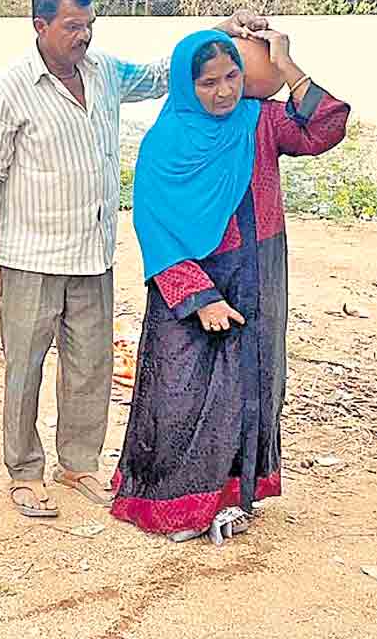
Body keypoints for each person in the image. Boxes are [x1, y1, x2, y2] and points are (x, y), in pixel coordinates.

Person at [0, 0, 268, 517]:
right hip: (29, 256)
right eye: (73, 27)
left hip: (91, 253)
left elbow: (162, 74)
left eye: (90, 25)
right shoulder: (10, 87)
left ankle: (78, 462)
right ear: (41, 26)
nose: (84, 37)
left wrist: (220, 28)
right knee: (24, 368)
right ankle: (24, 471)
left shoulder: (104, 72)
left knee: (91, 366)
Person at [110, 28, 350, 542]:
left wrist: (287, 65)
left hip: (258, 274)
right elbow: (154, 224)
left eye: (232, 77)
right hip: (191, 285)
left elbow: (326, 125)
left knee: (251, 387)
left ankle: (233, 497)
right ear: (184, 84)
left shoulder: (258, 123)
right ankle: (174, 504)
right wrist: (199, 297)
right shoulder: (165, 143)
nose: (223, 92)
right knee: (182, 394)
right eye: (208, 82)